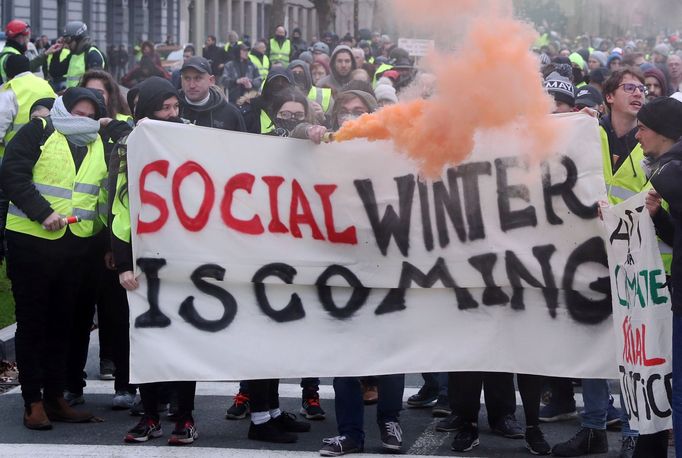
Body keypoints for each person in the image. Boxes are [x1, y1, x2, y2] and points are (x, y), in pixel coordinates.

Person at [0, 87, 108, 430]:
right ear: (63, 108)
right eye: (78, 112)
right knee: (33, 324)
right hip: (31, 244)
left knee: (64, 324)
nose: (84, 120)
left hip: (75, 248)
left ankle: (55, 397)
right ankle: (33, 402)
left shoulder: (98, 144)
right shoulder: (39, 130)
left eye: (91, 115)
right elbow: (12, 174)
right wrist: (41, 212)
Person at [108, 76, 199, 445]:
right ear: (145, 111)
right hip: (145, 267)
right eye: (164, 108)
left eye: (176, 107)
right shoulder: (129, 149)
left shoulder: (193, 143)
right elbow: (120, 213)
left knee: (184, 341)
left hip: (184, 263)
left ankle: (185, 417)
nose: (172, 114)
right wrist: (125, 263)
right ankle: (150, 415)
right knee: (146, 342)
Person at [642, 97, 682, 458]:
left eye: (643, 128)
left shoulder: (672, 168)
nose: (638, 136)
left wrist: (658, 169)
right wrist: (657, 217)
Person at [0, 55, 56, 158]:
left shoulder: (9, 91)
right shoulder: (45, 85)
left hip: (14, 153)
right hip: (47, 150)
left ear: (8, 72)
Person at [179, 56, 246, 131]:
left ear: (211, 81)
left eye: (198, 78)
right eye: (187, 78)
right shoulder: (170, 109)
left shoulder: (231, 114)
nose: (192, 85)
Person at [60, 21, 106, 88]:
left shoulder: (92, 54)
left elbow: (94, 84)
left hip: (85, 97)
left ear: (78, 39)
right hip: (73, 96)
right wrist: (57, 52)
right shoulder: (73, 54)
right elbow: (56, 72)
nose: (66, 44)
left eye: (68, 40)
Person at [0, 20, 32, 84]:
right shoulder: (18, 59)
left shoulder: (4, 53)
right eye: (27, 37)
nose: (28, 41)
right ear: (21, 38)